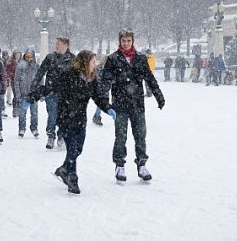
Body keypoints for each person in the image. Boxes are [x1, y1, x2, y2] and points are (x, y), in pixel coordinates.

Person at [37, 50, 114, 194]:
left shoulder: (92, 79)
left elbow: (98, 97)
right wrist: (36, 94)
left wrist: (107, 107)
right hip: (66, 118)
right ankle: (72, 179)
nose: (95, 65)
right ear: (85, 62)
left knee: (78, 149)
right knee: (72, 149)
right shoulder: (69, 75)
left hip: (80, 119)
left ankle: (63, 169)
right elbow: (52, 87)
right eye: (92, 62)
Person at [102, 29, 165, 182]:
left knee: (140, 136)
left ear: (132, 41)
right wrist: (104, 100)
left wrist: (159, 96)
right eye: (123, 41)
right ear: (120, 41)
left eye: (128, 41)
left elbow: (150, 79)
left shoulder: (140, 59)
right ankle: (120, 165)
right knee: (120, 137)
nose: (126, 43)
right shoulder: (112, 59)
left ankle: (142, 164)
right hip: (120, 104)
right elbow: (105, 81)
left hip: (137, 104)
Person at [31, 36, 75, 150]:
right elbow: (40, 72)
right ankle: (50, 135)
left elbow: (78, 76)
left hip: (67, 94)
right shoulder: (50, 57)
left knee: (64, 116)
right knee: (52, 115)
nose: (56, 46)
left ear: (66, 45)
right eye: (56, 44)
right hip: (51, 92)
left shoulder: (73, 59)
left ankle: (61, 135)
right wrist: (35, 85)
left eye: (58, 44)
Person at [14, 48, 40, 138]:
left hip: (33, 94)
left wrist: (40, 92)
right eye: (27, 56)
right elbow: (16, 81)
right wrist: (18, 94)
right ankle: (21, 128)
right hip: (23, 94)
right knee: (22, 113)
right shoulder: (20, 66)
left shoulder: (36, 66)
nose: (29, 58)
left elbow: (40, 79)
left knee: (34, 113)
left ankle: (34, 128)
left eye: (30, 56)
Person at [92, 56, 108, 126]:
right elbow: (97, 79)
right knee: (101, 103)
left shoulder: (108, 69)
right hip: (99, 89)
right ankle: (97, 116)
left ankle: (96, 116)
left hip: (105, 89)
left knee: (102, 103)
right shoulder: (98, 68)